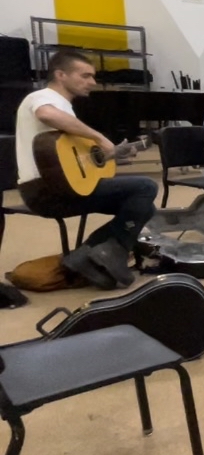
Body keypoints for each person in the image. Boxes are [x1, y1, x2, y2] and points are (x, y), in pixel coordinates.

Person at [14, 50, 156, 289]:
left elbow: (72, 162)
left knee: (143, 206)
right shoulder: (42, 97)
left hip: (61, 186)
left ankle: (88, 256)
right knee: (146, 186)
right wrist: (99, 137)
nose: (93, 82)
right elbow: (46, 114)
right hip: (45, 191)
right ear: (61, 75)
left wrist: (114, 157)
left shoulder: (64, 108)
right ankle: (98, 253)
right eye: (85, 75)